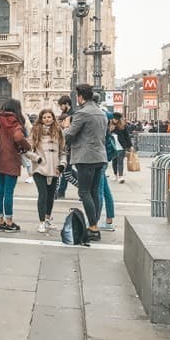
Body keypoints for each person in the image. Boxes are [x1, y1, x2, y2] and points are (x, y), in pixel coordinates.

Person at [63, 84, 109, 240]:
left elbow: (69, 134)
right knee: (95, 191)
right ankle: (93, 226)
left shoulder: (83, 113)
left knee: (84, 191)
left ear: (80, 96)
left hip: (86, 157)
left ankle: (94, 227)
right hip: (100, 157)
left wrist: (64, 128)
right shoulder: (101, 113)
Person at [0, 99, 31, 232]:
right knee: (8, 192)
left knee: (0, 191)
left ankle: (0, 221)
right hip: (11, 161)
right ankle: (9, 222)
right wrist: (27, 146)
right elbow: (19, 138)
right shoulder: (16, 123)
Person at [30, 109, 67, 233]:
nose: (47, 119)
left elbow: (63, 151)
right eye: (44, 117)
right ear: (41, 119)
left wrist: (62, 164)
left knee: (51, 196)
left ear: (53, 118)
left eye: (49, 117)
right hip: (40, 168)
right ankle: (41, 222)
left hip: (54, 168)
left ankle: (47, 219)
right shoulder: (35, 131)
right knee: (43, 194)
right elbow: (27, 150)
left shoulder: (58, 132)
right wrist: (37, 158)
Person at [55, 95, 75, 199]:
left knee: (66, 171)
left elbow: (71, 131)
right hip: (64, 146)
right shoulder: (65, 114)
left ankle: (61, 191)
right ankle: (60, 191)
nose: (60, 108)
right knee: (67, 170)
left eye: (61, 106)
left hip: (69, 146)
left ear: (67, 104)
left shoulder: (73, 114)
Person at [109, 113, 132, 182]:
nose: (115, 120)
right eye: (114, 118)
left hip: (121, 147)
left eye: (116, 119)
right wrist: (109, 130)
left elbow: (127, 136)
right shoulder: (109, 126)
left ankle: (121, 176)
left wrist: (130, 146)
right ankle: (116, 175)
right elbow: (106, 135)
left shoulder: (123, 126)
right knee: (114, 162)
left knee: (120, 162)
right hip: (113, 147)